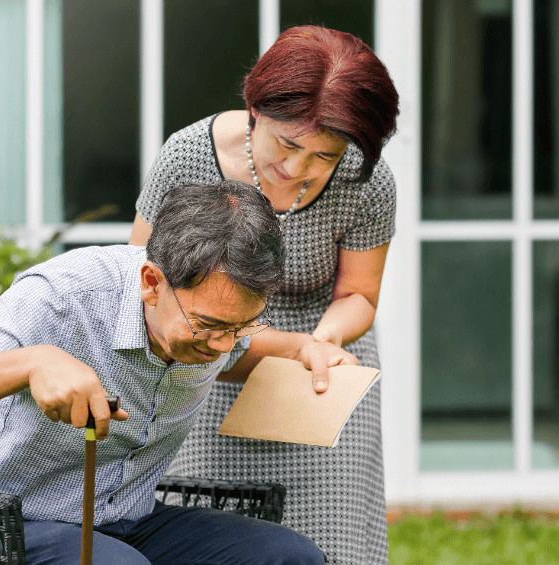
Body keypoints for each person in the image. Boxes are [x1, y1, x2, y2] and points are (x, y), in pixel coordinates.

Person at [0, 180, 355, 565]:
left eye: (240, 327)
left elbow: (250, 348)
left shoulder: (217, 324)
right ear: (152, 283)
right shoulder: (64, 295)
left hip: (127, 522)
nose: (221, 346)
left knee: (289, 556)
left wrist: (305, 348)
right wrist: (34, 362)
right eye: (209, 326)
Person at [129, 25, 399, 564]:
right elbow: (139, 285)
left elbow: (359, 295)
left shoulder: (366, 180)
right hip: (208, 365)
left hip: (317, 381)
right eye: (288, 143)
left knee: (330, 547)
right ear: (256, 107)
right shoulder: (186, 160)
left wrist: (322, 339)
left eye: (324, 156)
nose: (298, 167)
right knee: (213, 545)